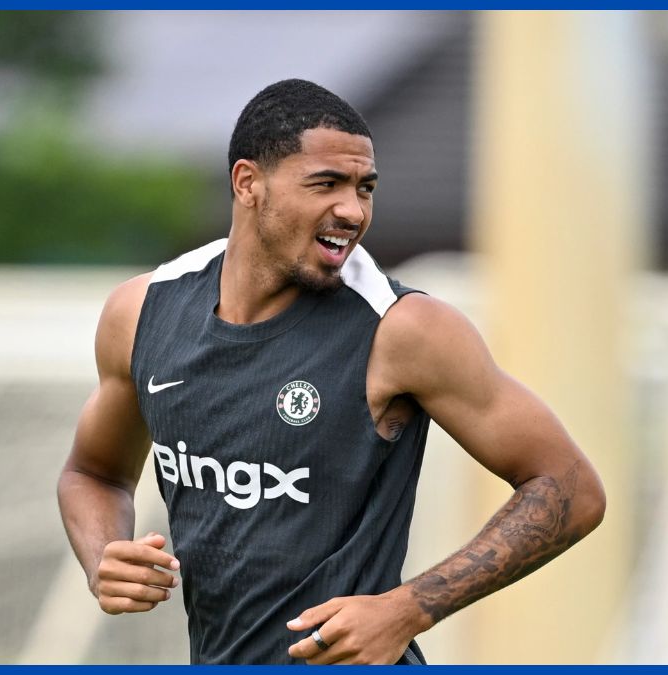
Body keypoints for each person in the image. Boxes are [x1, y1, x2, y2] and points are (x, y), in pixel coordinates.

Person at [58, 78, 606, 665]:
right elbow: (93, 473)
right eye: (326, 184)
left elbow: (571, 489)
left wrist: (409, 607)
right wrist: (104, 557)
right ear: (248, 183)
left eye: (364, 188)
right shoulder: (142, 313)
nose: (352, 210)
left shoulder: (405, 329)